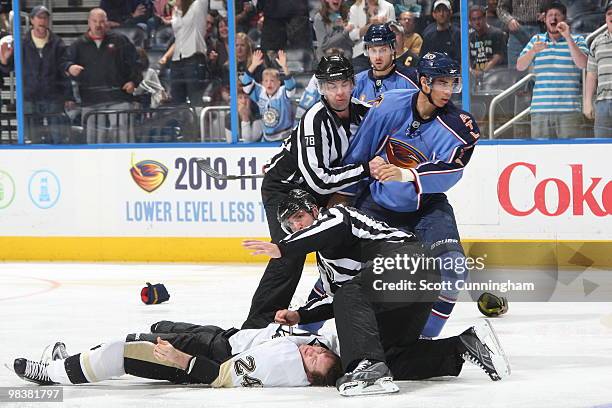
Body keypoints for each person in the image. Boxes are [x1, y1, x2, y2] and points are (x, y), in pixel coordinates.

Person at [244, 189, 511, 395]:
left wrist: (284, 247)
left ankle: (367, 368)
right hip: (404, 294)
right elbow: (340, 304)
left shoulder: (337, 216)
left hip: (410, 263)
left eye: (299, 217)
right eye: (290, 225)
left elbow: (333, 240)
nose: (297, 227)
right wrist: (300, 316)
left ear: (314, 210)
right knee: (390, 355)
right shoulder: (329, 269)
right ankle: (463, 345)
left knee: (351, 295)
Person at [334, 53, 480, 339]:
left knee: (453, 267)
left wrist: (407, 175)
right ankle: (303, 331)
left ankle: (423, 340)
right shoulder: (389, 106)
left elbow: (452, 170)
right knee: (344, 267)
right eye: (441, 83)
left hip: (426, 206)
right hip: (378, 203)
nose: (448, 91)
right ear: (424, 82)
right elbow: (359, 153)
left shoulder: (460, 126)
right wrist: (341, 198)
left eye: (452, 83)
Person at [241, 55, 376, 330]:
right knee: (290, 252)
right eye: (330, 85)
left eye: (343, 84)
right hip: (286, 191)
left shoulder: (363, 113)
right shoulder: (315, 119)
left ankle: (320, 312)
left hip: (313, 193)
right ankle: (257, 326)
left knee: (335, 245)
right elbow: (320, 181)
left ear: (353, 84)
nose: (338, 92)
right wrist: (366, 169)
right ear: (321, 88)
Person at [13, 321, 342, 388]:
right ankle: (70, 364)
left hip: (200, 354)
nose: (313, 350)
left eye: (313, 359)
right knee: (140, 336)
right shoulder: (308, 345)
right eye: (319, 351)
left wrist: (179, 359)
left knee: (122, 351)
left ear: (309, 377)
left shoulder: (282, 366)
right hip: (219, 336)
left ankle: (52, 374)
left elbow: (220, 375)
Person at [0, 5, 75, 144]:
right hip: (29, 97)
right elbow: (8, 69)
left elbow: (63, 69)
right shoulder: (21, 43)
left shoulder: (57, 43)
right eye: (39, 17)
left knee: (57, 137)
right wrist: (4, 61)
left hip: (53, 97)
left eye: (45, 17)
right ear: (32, 20)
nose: (43, 20)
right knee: (33, 138)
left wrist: (69, 96)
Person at [68, 8, 142, 144]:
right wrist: (69, 67)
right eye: (95, 21)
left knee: (123, 137)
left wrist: (133, 81)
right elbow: (65, 64)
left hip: (119, 97)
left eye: (102, 21)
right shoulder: (78, 45)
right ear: (89, 22)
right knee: (93, 140)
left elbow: (136, 62)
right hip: (91, 101)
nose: (98, 25)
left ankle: (125, 162)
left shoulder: (120, 40)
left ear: (107, 22)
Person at [516, 1, 587, 139]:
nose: (553, 19)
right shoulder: (536, 40)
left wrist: (568, 37)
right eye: (550, 15)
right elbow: (520, 66)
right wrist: (533, 51)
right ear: (545, 19)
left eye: (557, 15)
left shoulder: (577, 39)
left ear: (564, 19)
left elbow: (583, 64)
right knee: (540, 156)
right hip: (540, 110)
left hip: (569, 110)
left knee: (569, 154)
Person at [159, 0, 210, 107]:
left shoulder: (197, 7)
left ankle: (198, 122)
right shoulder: (176, 11)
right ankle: (181, 123)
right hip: (177, 61)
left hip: (193, 58)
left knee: (195, 99)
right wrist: (166, 56)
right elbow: (179, 39)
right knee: (177, 101)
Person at [352, 23, 418, 104]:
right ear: (367, 51)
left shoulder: (410, 80)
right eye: (373, 50)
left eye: (383, 50)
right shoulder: (357, 81)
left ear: (393, 48)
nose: (377, 57)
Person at [240, 49, 295, 141]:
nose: (269, 84)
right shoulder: (260, 92)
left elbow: (291, 86)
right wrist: (253, 65)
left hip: (285, 139)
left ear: (278, 83)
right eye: (266, 81)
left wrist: (284, 67)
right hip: (266, 139)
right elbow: (245, 83)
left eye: (272, 81)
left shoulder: (283, 93)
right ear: (262, 83)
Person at [584, 2, 612, 138]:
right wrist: (588, 102)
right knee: (601, 148)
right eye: (609, 14)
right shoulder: (597, 42)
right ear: (606, 18)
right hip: (602, 104)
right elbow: (591, 75)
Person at [348, 0, 396, 73]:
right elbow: (352, 36)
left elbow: (394, 32)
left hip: (384, 51)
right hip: (360, 54)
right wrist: (370, 25)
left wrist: (384, 24)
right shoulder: (355, 8)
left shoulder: (388, 7)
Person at [497, 0, 546, 68]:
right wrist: (509, 20)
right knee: (514, 69)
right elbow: (501, 8)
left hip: (539, 28)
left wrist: (547, 13)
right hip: (517, 29)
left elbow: (556, 4)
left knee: (541, 66)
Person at [468, 6, 506, 77]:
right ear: (470, 21)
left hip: (493, 75)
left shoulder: (496, 33)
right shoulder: (469, 37)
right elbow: (466, 59)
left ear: (484, 18)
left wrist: (482, 72)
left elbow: (497, 57)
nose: (477, 22)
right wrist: (470, 71)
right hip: (474, 76)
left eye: (479, 18)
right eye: (474, 19)